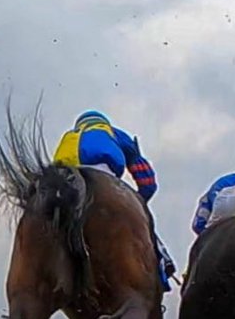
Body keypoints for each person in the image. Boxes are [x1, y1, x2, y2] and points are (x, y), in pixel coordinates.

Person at [54, 110, 176, 289]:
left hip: (63, 183)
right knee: (145, 221)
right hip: (103, 172)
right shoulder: (114, 133)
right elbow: (147, 181)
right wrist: (137, 204)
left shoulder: (68, 138)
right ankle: (163, 265)